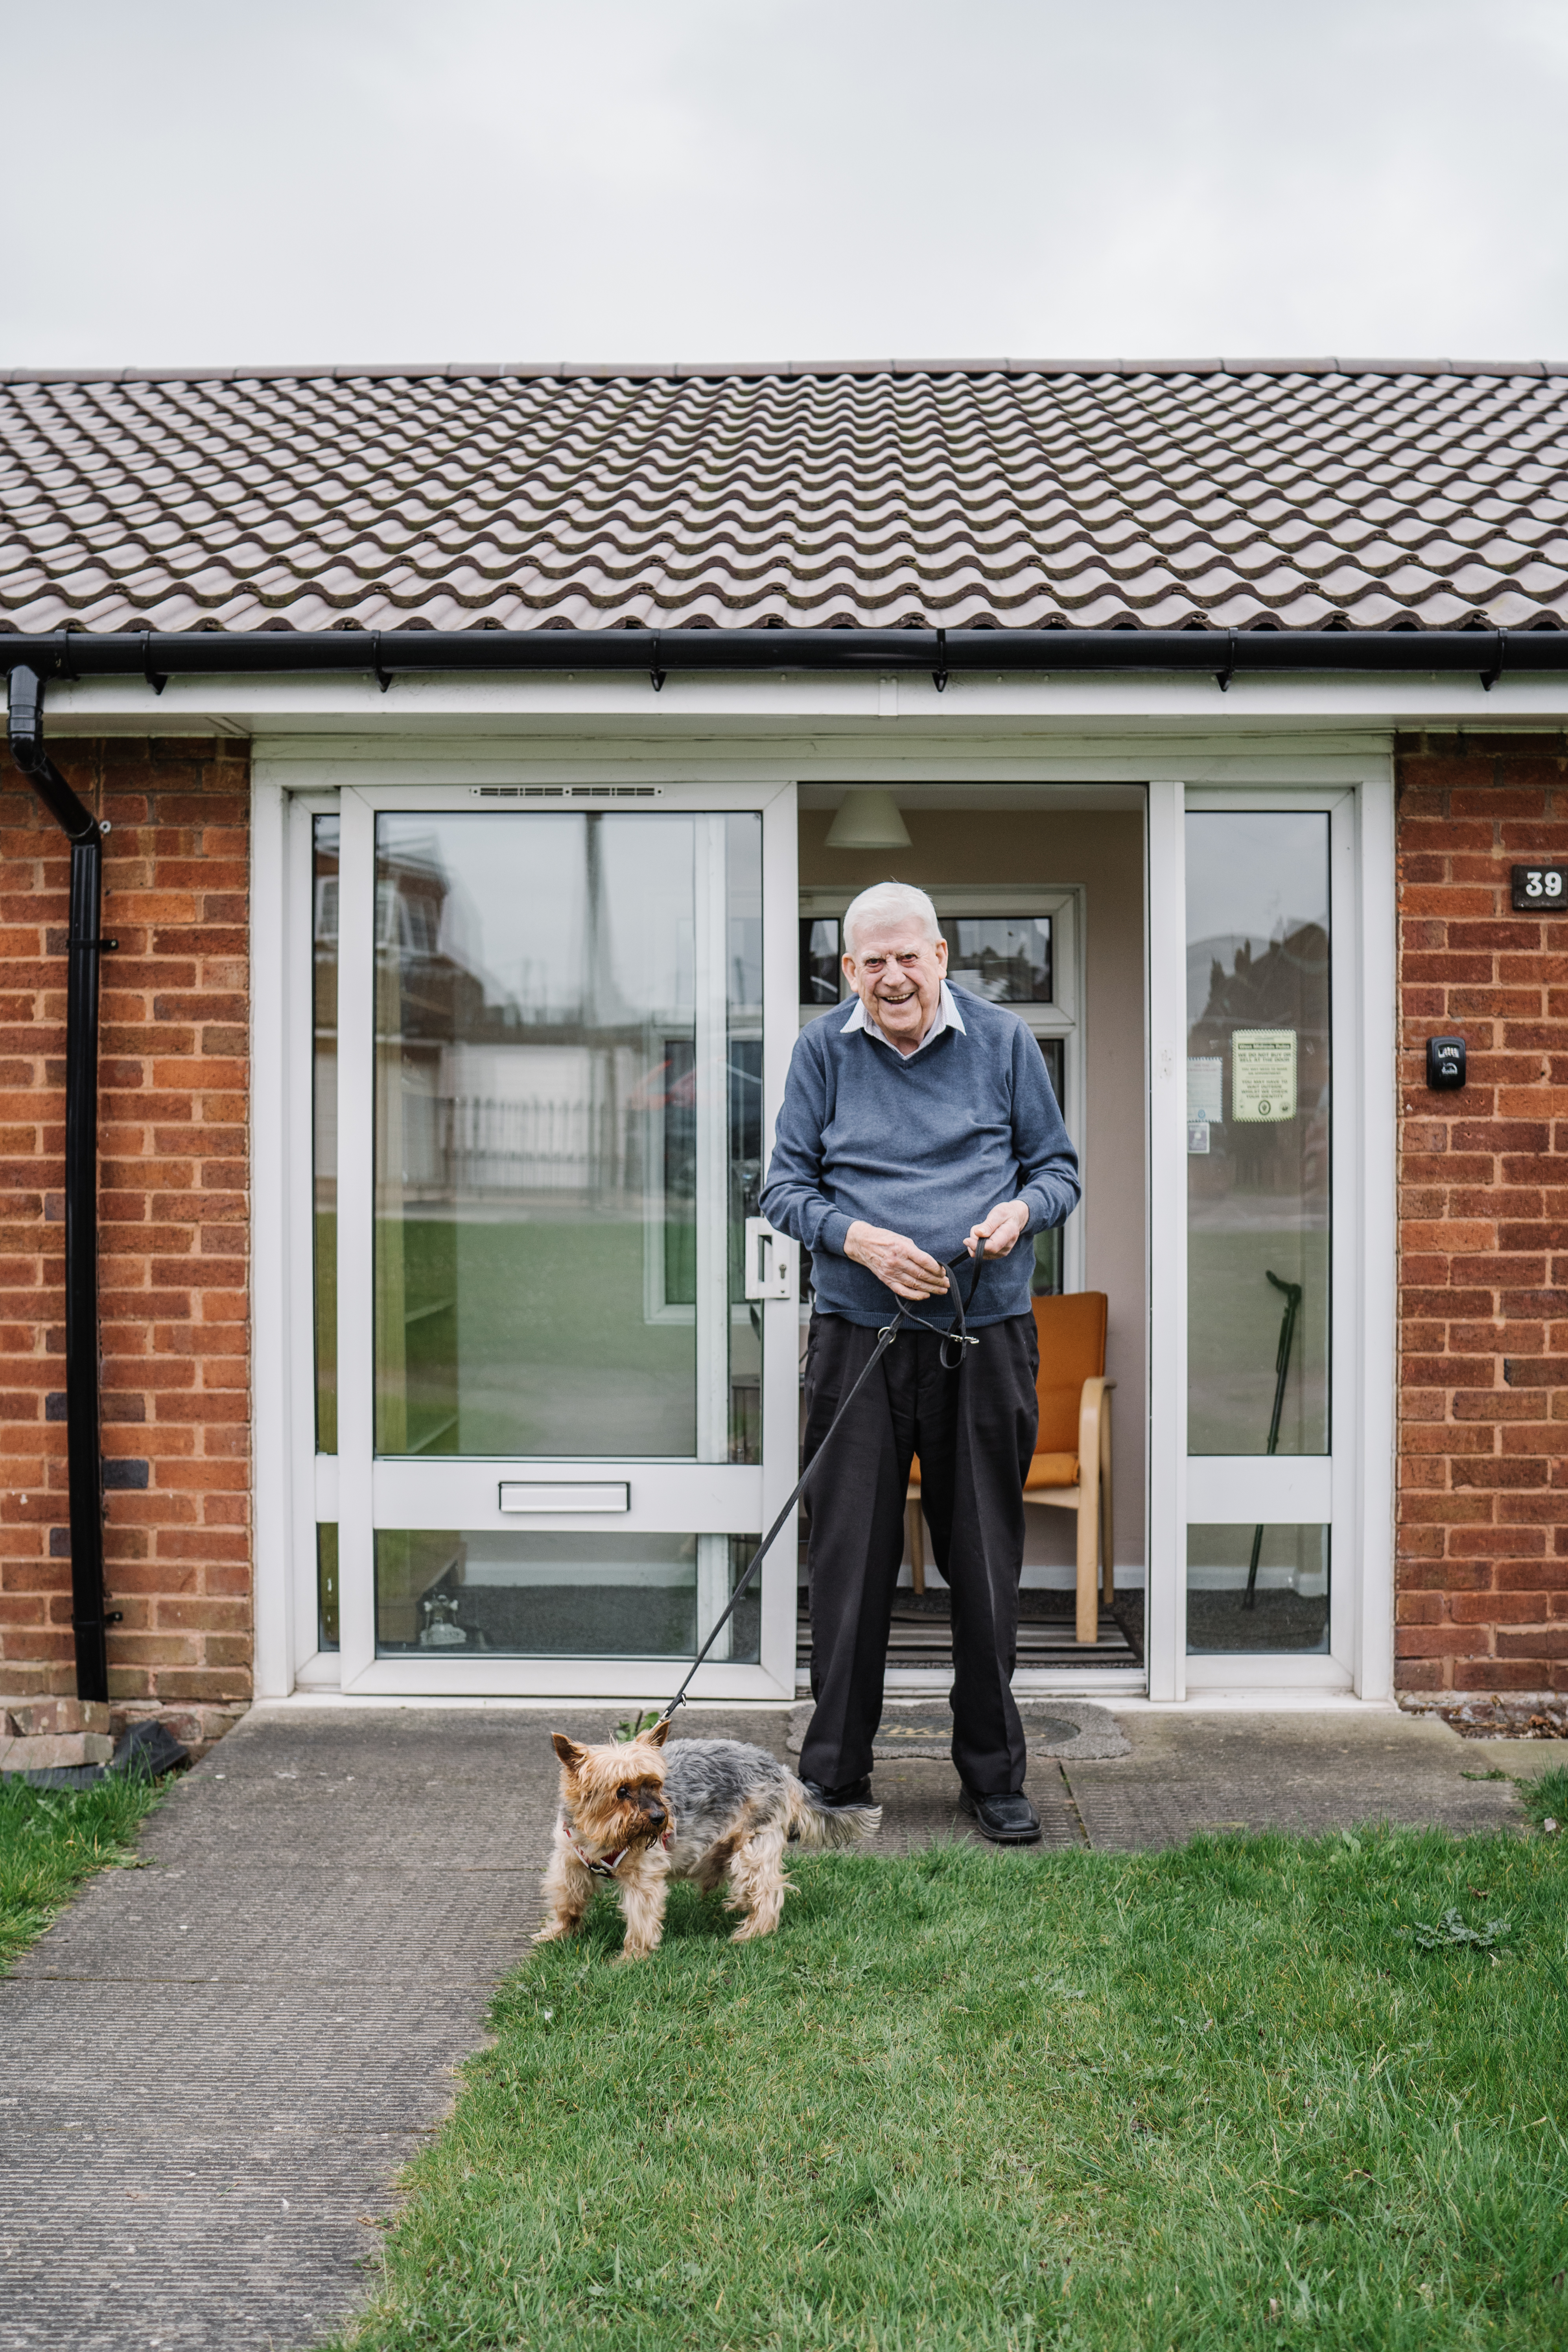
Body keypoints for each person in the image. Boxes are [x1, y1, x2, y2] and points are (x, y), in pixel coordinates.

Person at [760, 881, 1081, 1844]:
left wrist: (1019, 1213)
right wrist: (858, 1240)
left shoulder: (1005, 1041)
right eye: (871, 961)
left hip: (983, 1332)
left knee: (981, 1558)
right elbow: (782, 1185)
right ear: (847, 969)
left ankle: (991, 1773)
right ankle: (834, 1780)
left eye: (909, 956)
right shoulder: (822, 1048)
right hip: (857, 1335)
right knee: (847, 1557)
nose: (892, 975)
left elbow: (1056, 1170)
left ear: (940, 955)